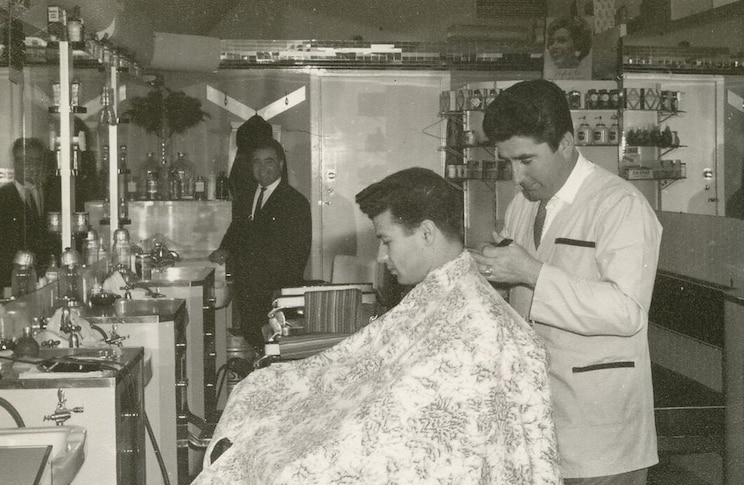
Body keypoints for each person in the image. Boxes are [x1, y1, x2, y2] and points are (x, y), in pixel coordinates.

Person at [192, 167, 560, 484]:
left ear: (427, 233)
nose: (382, 257)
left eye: (386, 241)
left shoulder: (475, 326)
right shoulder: (440, 291)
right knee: (258, 400)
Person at [473, 79, 662, 484]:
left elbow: (627, 312)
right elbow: (523, 303)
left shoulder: (620, 205)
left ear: (565, 143)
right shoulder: (522, 206)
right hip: (538, 417)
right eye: (507, 161)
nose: (516, 175)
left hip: (601, 428)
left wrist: (530, 273)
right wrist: (494, 274)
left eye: (526, 160)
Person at [209, 137, 311, 352]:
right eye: (257, 161)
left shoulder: (295, 202)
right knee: (254, 341)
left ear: (281, 165)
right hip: (247, 291)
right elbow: (237, 230)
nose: (262, 167)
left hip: (273, 295)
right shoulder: (246, 197)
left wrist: (277, 299)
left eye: (269, 161)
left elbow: (297, 256)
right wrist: (225, 248)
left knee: (273, 349)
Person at [0, 138, 53, 290]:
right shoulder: (3, 197)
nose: (32, 167)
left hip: (46, 280)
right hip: (13, 283)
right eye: (26, 161)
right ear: (15, 162)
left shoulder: (50, 193)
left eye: (36, 161)